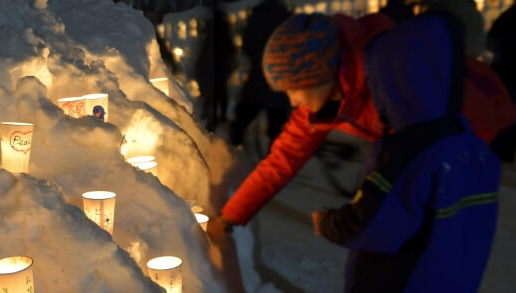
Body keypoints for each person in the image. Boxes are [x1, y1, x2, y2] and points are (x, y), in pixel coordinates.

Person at [308, 13, 501, 293]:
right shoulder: (468, 142)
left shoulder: (404, 151)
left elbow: (372, 224)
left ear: (396, 82)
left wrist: (328, 223)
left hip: (391, 292)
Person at [205, 12, 515, 239]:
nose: (292, 101)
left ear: (318, 74)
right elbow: (280, 161)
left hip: (485, 123)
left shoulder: (389, 74)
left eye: (293, 88)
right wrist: (231, 216)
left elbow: (452, 138)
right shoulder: (318, 104)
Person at [230, 0, 292, 150]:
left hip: (260, 73)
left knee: (246, 114)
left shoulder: (257, 14)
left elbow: (248, 47)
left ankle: (233, 150)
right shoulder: (287, 15)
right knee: (276, 125)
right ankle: (273, 160)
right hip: (280, 77)